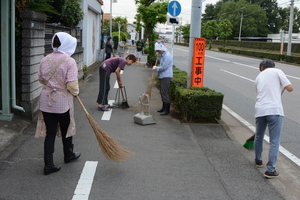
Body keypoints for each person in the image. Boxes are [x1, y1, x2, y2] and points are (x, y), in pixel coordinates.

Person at [35, 32, 81, 175]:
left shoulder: (45, 59)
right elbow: (72, 85)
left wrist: (52, 85)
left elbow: (41, 79)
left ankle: (48, 164)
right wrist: (75, 93)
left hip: (46, 99)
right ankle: (68, 154)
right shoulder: (69, 61)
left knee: (50, 133)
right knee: (67, 130)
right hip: (62, 100)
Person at [254, 59, 293, 179]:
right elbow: (290, 88)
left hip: (260, 110)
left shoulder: (258, 77)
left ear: (261, 68)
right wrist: (285, 86)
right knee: (274, 141)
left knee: (259, 136)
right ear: (272, 66)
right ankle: (270, 170)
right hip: (274, 111)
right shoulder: (277, 71)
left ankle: (258, 160)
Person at [152, 41, 173, 115]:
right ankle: (163, 108)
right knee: (162, 92)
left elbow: (163, 67)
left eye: (158, 51)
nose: (158, 52)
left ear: (161, 50)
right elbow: (160, 59)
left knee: (164, 92)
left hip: (166, 76)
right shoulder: (163, 54)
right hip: (163, 76)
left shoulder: (167, 56)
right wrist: (158, 55)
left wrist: (156, 68)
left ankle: (167, 110)